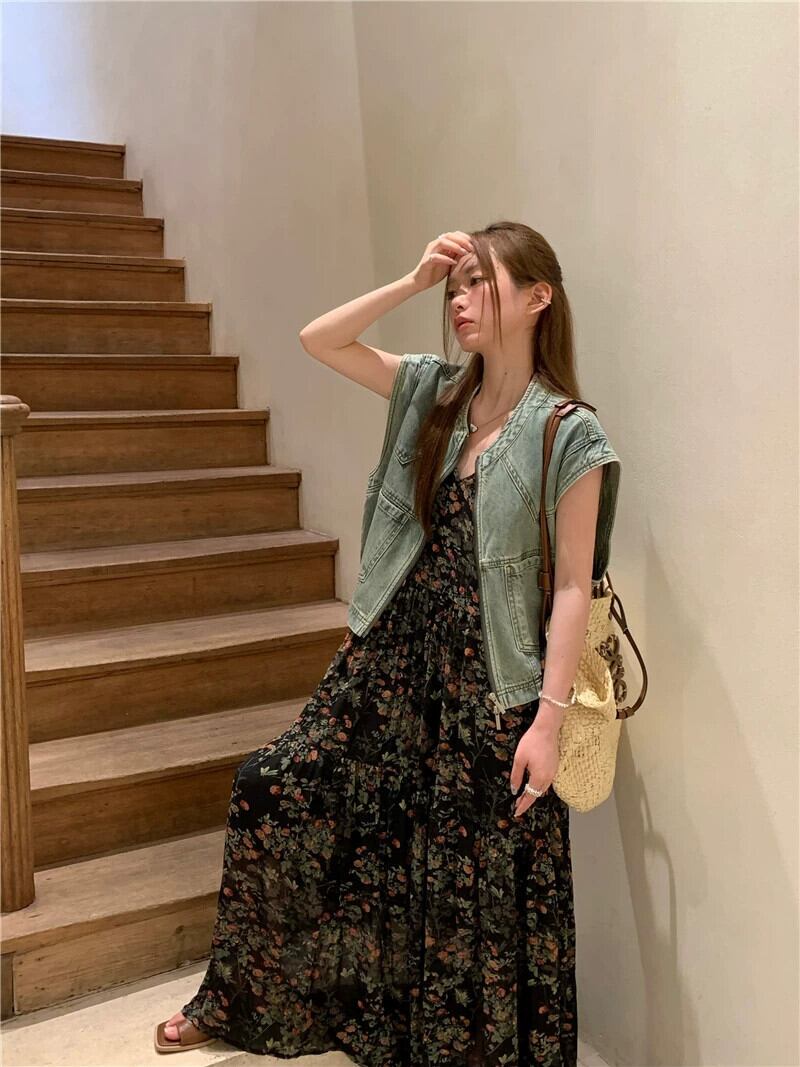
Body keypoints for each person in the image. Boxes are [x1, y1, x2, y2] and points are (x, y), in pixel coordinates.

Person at [154, 221, 621, 1065]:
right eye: (456, 286)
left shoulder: (567, 431)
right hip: (390, 663)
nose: (460, 299)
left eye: (480, 283)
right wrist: (412, 281)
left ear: (538, 298)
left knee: (468, 878)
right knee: (271, 786)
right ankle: (238, 996)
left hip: (490, 685)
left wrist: (548, 723)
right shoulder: (433, 394)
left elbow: (569, 588)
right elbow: (319, 338)